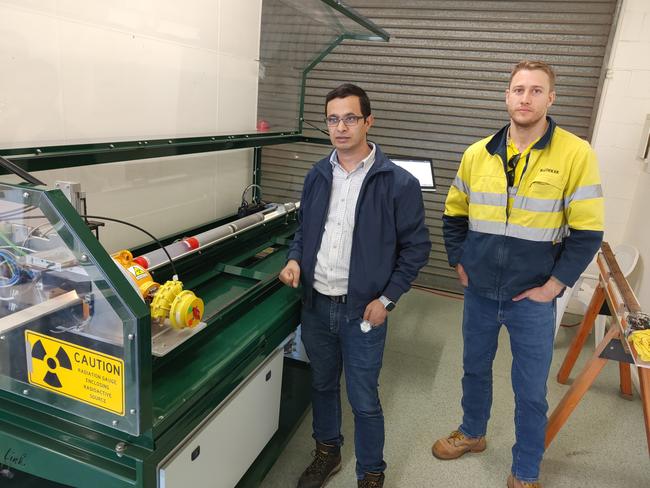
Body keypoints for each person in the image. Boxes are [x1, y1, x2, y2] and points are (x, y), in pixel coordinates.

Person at [433, 60, 604, 488]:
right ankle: (473, 432)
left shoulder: (575, 153)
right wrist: (460, 260)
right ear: (506, 96)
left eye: (535, 90)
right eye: (518, 89)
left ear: (551, 97)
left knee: (530, 390)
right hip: (480, 293)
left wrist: (554, 285)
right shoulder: (477, 154)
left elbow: (587, 233)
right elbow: (454, 214)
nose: (525, 98)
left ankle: (525, 469)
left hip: (533, 298)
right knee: (473, 368)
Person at [279, 83, 431, 488]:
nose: (341, 127)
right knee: (323, 385)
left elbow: (416, 249)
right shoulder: (317, 175)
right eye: (333, 119)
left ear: (368, 121)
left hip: (363, 310)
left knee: (364, 398)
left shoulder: (397, 182)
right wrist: (295, 259)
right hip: (316, 305)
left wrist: (387, 299)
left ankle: (371, 473)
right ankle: (327, 453)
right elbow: (304, 231)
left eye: (350, 118)